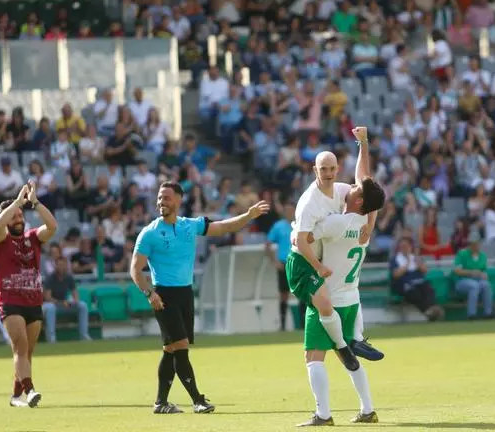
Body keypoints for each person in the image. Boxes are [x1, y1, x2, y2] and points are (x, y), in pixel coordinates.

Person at [130, 181, 270, 414]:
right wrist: (149, 293)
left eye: (166, 198)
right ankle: (198, 400)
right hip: (163, 295)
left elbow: (225, 227)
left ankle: (160, 403)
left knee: (171, 349)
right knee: (181, 346)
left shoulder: (190, 225)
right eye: (159, 198)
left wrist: (248, 215)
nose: (161, 202)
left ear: (178, 200)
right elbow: (135, 269)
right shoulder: (150, 233)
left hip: (185, 294)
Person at [286, 126, 383, 371]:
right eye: (323, 169)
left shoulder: (341, 190)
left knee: (346, 293)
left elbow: (367, 187)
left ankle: (354, 342)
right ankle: (344, 345)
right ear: (315, 171)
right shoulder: (309, 203)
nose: (328, 173)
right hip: (303, 261)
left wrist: (363, 143)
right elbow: (300, 241)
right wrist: (318, 267)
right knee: (326, 306)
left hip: (318, 258)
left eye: (331, 169)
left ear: (337, 169)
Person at [297, 176, 386, 426]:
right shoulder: (366, 227)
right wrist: (364, 144)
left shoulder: (335, 223)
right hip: (352, 300)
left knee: (313, 357)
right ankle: (368, 409)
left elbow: (302, 240)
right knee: (345, 355)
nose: (351, 186)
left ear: (359, 200)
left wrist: (299, 227)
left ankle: (323, 415)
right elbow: (369, 197)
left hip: (328, 298)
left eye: (356, 188)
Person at [0, 181, 58, 407]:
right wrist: (18, 201)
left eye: (20, 215)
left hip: (33, 300)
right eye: (14, 216)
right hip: (10, 301)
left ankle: (16, 396)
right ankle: (30, 391)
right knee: (20, 347)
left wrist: (34, 202)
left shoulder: (33, 237)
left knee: (27, 353)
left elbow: (52, 226)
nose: (18, 219)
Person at [265, 201, 299, 331]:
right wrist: (274, 262)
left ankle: (302, 325)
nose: (290, 213)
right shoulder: (278, 226)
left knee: (302, 294)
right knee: (284, 294)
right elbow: (267, 245)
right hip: (284, 264)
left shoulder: (299, 225)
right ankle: (283, 325)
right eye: (287, 210)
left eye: (292, 210)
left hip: (298, 263)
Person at [42, 256, 91, 343]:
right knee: (51, 308)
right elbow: (47, 298)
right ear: (55, 266)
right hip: (48, 304)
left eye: (63, 265)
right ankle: (51, 337)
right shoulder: (50, 278)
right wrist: (61, 303)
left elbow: (75, 293)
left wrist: (74, 301)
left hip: (64, 303)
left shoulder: (69, 277)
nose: (62, 267)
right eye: (59, 265)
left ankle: (84, 335)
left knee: (82, 305)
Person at [453, 233, 495, 319]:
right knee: (474, 286)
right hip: (462, 281)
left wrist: (484, 274)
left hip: (479, 280)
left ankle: (488, 313)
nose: (476, 246)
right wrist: (471, 272)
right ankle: (471, 314)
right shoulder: (462, 254)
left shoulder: (482, 255)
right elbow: (457, 271)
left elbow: (483, 270)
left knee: (486, 285)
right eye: (474, 244)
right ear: (470, 245)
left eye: (478, 244)